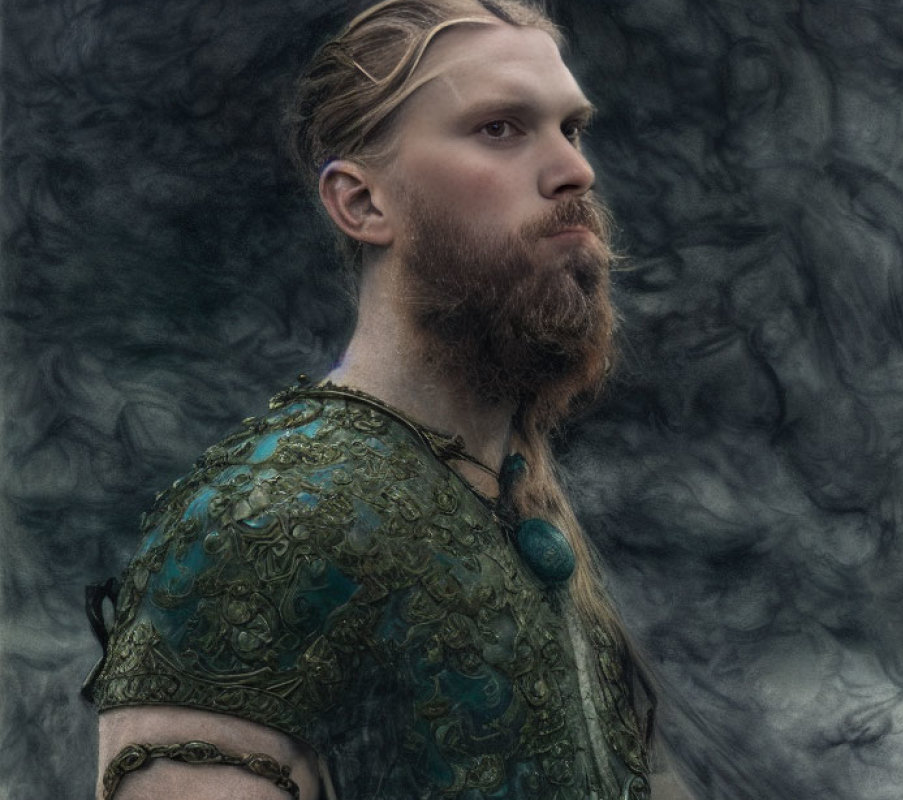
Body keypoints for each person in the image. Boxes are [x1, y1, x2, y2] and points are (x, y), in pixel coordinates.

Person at [84, 1, 691, 798]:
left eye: (570, 129)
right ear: (363, 203)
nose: (575, 171)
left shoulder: (509, 484)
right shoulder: (260, 522)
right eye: (501, 129)